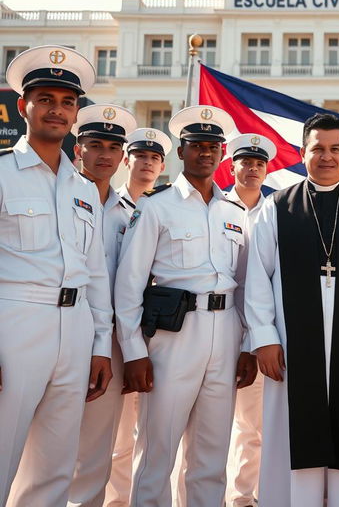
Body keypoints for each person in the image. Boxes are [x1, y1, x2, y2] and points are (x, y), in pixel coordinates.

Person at [244, 113, 339, 507]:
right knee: (293, 434)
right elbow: (258, 277)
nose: (326, 157)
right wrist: (264, 338)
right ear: (302, 153)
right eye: (317, 149)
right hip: (292, 348)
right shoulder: (276, 207)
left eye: (334, 149)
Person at [114, 105, 257, 506]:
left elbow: (245, 285)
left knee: (211, 455)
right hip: (173, 336)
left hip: (225, 332)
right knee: (158, 449)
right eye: (197, 145)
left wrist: (247, 344)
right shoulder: (157, 206)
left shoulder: (235, 212)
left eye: (214, 146)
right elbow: (129, 285)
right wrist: (134, 352)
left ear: (223, 153)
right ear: (182, 150)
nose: (206, 153)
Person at [0, 46, 112, 506]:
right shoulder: (3, 173)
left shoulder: (83, 188)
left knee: (54, 467)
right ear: (24, 106)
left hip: (75, 328)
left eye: (67, 102)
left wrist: (101, 345)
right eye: (46, 98)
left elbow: (97, 274)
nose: (57, 110)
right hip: (16, 323)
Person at [67, 104, 137, 507]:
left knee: (97, 445)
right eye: (96, 145)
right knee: (43, 442)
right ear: (80, 149)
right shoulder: (63, 195)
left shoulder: (131, 215)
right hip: (60, 324)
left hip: (108, 340)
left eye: (113, 147)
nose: (105, 155)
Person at [103, 127, 171, 507]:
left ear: (162, 166)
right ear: (127, 161)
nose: (147, 163)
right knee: (109, 430)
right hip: (108, 331)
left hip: (152, 331)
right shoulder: (105, 205)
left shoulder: (163, 207)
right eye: (141, 157)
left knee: (142, 426)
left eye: (155, 159)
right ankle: (113, 501)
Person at [224, 133, 277, 507]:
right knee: (202, 428)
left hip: (256, 331)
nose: (253, 168)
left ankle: (243, 498)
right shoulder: (213, 204)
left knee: (252, 426)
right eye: (246, 162)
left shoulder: (276, 211)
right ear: (233, 167)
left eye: (259, 163)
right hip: (212, 323)